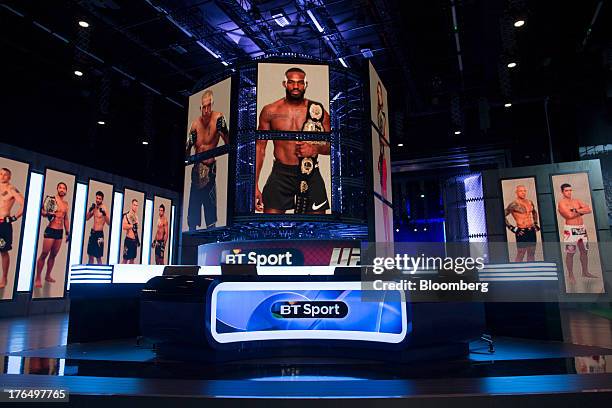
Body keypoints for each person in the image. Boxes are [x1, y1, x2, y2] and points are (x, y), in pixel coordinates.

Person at [256, 67, 331, 214]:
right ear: (284, 84)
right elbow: (260, 148)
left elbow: (333, 147)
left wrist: (315, 149)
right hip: (281, 173)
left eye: (300, 83)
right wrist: (254, 184)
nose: (296, 86)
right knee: (270, 226)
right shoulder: (270, 111)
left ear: (306, 84)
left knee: (317, 228)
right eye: (291, 82)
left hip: (310, 172)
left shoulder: (318, 111)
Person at [186, 89, 229, 230]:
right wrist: (188, 145)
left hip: (210, 171)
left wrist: (225, 131)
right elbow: (186, 154)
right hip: (196, 171)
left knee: (210, 213)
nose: (206, 110)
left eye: (208, 106)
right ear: (200, 107)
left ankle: (212, 243)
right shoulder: (195, 124)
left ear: (212, 105)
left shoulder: (218, 118)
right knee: (193, 214)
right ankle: (189, 246)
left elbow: (229, 144)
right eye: (203, 106)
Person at [557, 183, 596, 284]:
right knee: (571, 252)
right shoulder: (562, 203)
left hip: (581, 229)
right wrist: (581, 211)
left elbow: (589, 209)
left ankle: (585, 272)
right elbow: (569, 215)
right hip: (570, 229)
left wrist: (576, 210)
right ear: (562, 192)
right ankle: (570, 274)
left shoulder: (576, 200)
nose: (569, 192)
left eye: (570, 190)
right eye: (566, 190)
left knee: (584, 251)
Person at [35, 182, 70, 288]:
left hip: (59, 232)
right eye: (60, 187)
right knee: (44, 254)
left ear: (66, 191)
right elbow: (41, 211)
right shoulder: (51, 199)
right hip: (51, 229)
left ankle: (48, 275)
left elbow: (66, 219)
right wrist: (47, 213)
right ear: (57, 188)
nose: (62, 189)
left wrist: (68, 232)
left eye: (64, 188)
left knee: (53, 255)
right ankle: (38, 278)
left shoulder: (66, 204)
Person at [0, 168, 25, 289]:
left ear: (9, 177)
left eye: (5, 175)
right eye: (0, 174)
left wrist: (14, 218)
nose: (2, 176)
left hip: (3, 224)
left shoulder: (11, 189)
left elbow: (24, 204)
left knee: (3, 251)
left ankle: (4, 277)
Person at [504, 185, 540, 262]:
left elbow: (534, 212)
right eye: (521, 191)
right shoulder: (513, 204)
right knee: (521, 253)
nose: (523, 193)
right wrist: (512, 228)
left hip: (531, 230)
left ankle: (531, 271)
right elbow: (502, 215)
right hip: (521, 231)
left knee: (531, 253)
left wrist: (536, 223)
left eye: (524, 191)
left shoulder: (529, 202)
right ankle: (517, 272)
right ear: (516, 192)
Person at [85, 191, 110, 264]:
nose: (98, 200)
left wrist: (104, 214)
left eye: (99, 199)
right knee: (90, 255)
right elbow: (86, 218)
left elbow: (108, 223)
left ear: (102, 199)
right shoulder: (95, 207)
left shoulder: (104, 208)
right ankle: (89, 273)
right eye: (97, 198)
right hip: (93, 233)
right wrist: (89, 210)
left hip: (99, 234)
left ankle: (100, 274)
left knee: (98, 257)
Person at [122, 199, 140, 264]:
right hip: (128, 240)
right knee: (125, 260)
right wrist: (132, 226)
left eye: (137, 205)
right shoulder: (127, 215)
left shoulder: (136, 217)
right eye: (134, 205)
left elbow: (135, 230)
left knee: (132, 260)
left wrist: (137, 240)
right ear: (132, 205)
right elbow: (124, 226)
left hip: (134, 241)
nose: (135, 207)